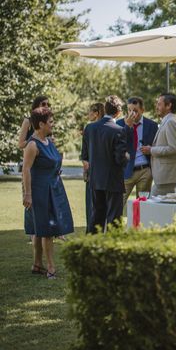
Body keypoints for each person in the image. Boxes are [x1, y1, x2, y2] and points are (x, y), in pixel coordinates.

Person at [22, 107, 74, 278]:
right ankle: (51, 268)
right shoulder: (32, 144)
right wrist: (27, 194)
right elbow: (26, 170)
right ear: (41, 124)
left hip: (54, 188)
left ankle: (37, 265)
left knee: (40, 229)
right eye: (50, 122)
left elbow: (53, 161)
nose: (53, 124)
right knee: (47, 230)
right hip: (40, 191)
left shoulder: (48, 141)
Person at [84, 95, 128, 233]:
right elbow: (120, 159)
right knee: (114, 220)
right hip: (113, 180)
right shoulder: (119, 130)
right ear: (118, 113)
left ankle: (91, 250)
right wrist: (127, 156)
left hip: (95, 179)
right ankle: (111, 251)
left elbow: (85, 156)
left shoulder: (90, 129)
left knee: (96, 218)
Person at [19, 95, 51, 269]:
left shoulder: (47, 121)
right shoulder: (28, 121)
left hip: (43, 167)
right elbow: (20, 143)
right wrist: (35, 142)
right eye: (43, 104)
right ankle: (36, 261)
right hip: (31, 165)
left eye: (48, 104)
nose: (46, 106)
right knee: (34, 217)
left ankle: (37, 262)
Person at [116, 97, 159, 207]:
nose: (132, 113)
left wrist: (150, 149)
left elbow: (157, 146)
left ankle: (139, 225)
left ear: (142, 110)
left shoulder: (152, 125)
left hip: (145, 171)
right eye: (129, 110)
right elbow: (118, 145)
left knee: (143, 205)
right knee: (119, 204)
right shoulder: (119, 124)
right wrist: (128, 126)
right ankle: (114, 225)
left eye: (135, 110)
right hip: (126, 171)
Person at [140, 93, 176, 196]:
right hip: (165, 176)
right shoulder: (168, 121)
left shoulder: (170, 122)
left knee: (152, 207)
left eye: (159, 104)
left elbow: (173, 148)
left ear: (168, 106)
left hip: (167, 176)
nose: (157, 107)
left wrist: (151, 150)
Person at [80, 103, 104, 233]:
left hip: (93, 173)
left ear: (96, 113)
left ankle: (91, 230)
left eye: (90, 112)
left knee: (92, 204)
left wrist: (87, 167)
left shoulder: (89, 128)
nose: (88, 114)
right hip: (101, 172)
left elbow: (84, 155)